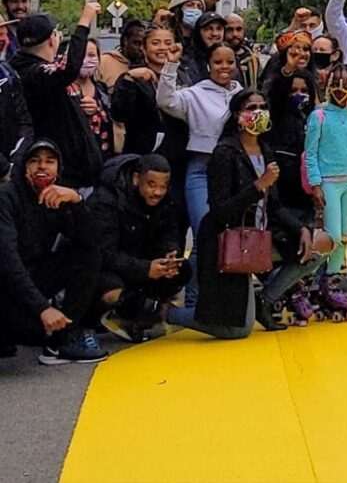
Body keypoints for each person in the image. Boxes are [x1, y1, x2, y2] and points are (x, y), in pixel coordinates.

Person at [165, 90, 323, 338]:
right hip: (227, 241)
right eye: (251, 108)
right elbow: (220, 211)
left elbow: (276, 206)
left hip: (260, 237)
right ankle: (166, 313)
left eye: (262, 106)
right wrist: (258, 186)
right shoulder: (225, 152)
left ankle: (265, 300)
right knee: (237, 329)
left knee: (320, 245)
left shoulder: (266, 150)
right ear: (238, 115)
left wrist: (301, 228)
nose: (257, 112)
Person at [0, 140, 106, 364]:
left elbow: (94, 241)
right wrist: (43, 308)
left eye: (50, 161)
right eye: (35, 161)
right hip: (7, 286)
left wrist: (77, 202)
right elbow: (8, 260)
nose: (42, 167)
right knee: (26, 333)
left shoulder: (58, 195)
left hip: (33, 279)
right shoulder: (7, 197)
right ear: (24, 167)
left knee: (87, 254)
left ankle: (65, 338)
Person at [157, 40, 242, 303]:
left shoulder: (242, 95)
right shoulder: (195, 93)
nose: (224, 67)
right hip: (201, 169)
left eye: (229, 62)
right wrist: (170, 65)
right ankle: (194, 299)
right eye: (218, 62)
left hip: (232, 171)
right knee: (203, 233)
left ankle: (223, 297)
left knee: (228, 237)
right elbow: (166, 100)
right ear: (208, 65)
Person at [90, 154, 190, 343]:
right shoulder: (106, 200)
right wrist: (145, 269)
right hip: (107, 267)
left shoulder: (166, 201)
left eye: (163, 186)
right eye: (152, 185)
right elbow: (104, 253)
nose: (158, 192)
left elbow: (170, 232)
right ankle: (120, 312)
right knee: (111, 285)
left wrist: (170, 254)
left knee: (182, 270)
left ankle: (142, 315)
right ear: (137, 179)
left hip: (140, 260)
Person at [12, 5, 105, 187]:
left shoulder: (42, 70)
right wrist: (84, 22)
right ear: (51, 41)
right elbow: (69, 69)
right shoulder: (32, 72)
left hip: (80, 170)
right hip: (61, 176)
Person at [303, 64, 347, 300]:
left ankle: (332, 286)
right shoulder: (318, 116)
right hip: (328, 182)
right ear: (328, 86)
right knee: (332, 235)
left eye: (346, 85)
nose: (341, 90)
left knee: (345, 235)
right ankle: (309, 280)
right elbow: (310, 153)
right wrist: (316, 183)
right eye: (336, 85)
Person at [110, 25, 176, 157]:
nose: (162, 48)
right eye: (155, 43)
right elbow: (119, 114)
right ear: (144, 49)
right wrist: (128, 79)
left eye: (168, 43)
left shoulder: (184, 75)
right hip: (141, 155)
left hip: (177, 155)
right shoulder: (133, 78)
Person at [68, 38, 114, 161]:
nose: (86, 60)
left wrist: (98, 109)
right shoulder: (63, 89)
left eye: (92, 55)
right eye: (81, 54)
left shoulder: (101, 89)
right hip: (74, 159)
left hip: (102, 157)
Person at [0, 43, 34, 165]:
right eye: (0, 34)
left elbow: (24, 119)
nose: (5, 40)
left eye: (5, 34)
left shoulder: (8, 71)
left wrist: (17, 158)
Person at [180, 11, 227, 86]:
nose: (215, 33)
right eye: (208, 29)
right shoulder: (186, 60)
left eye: (219, 29)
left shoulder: (229, 58)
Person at [99, 19, 147, 88]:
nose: (141, 48)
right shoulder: (104, 62)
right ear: (125, 41)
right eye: (137, 43)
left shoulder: (148, 64)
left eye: (144, 44)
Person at [223, 13, 260, 90]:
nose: (235, 34)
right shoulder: (215, 58)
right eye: (230, 30)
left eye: (239, 29)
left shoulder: (253, 60)